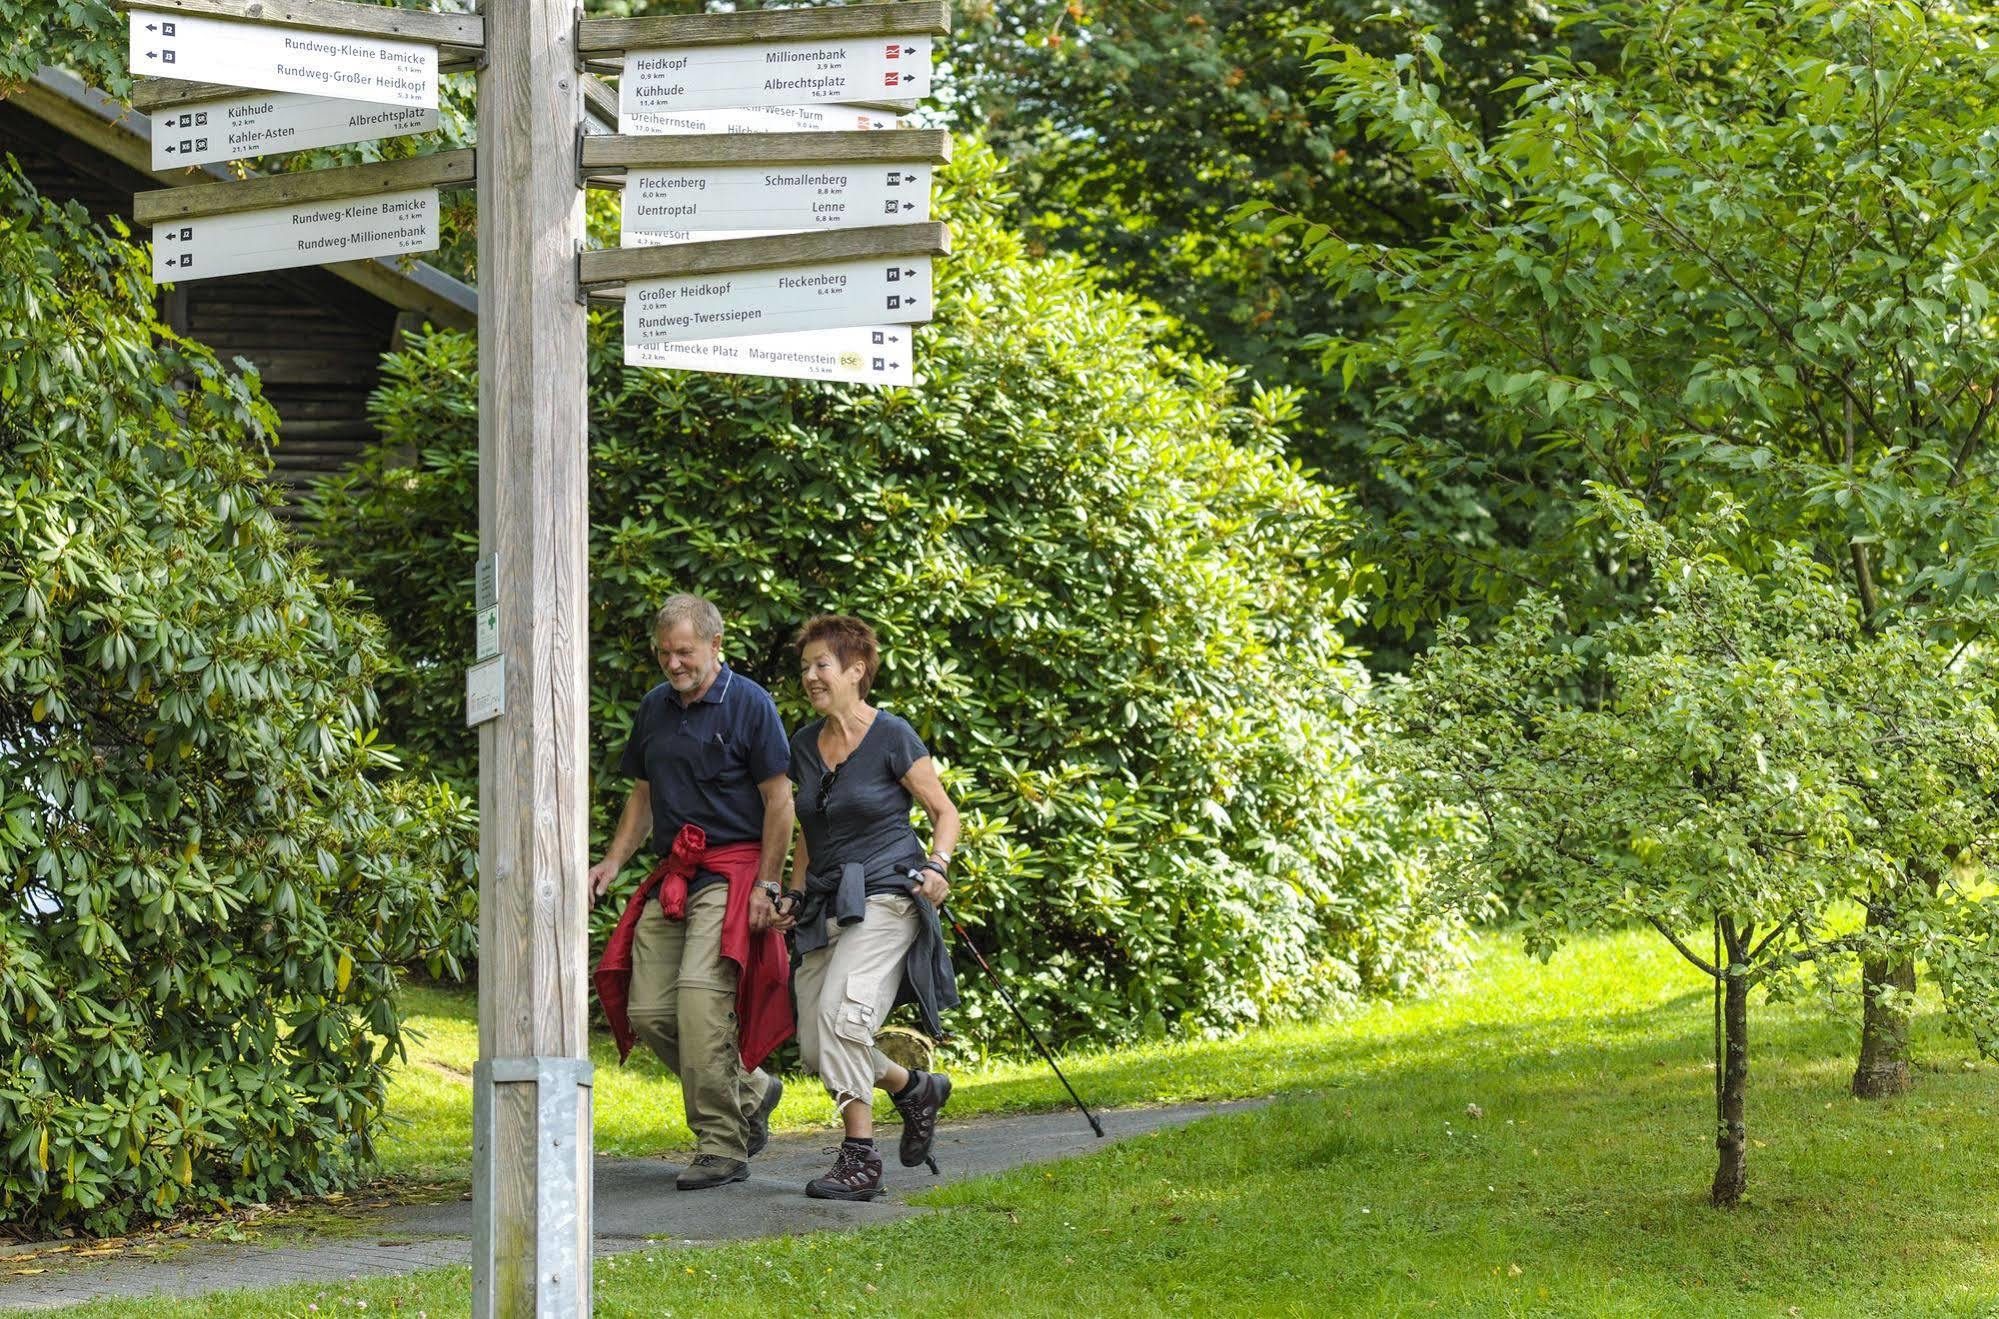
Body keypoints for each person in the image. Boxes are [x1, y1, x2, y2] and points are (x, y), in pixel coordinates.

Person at [589, 594, 795, 1191]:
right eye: (664, 653)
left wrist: (769, 884)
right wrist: (612, 860)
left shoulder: (750, 703)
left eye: (685, 652)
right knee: (649, 1009)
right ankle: (753, 1091)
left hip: (731, 872)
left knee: (701, 1009)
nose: (674, 663)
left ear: (714, 646)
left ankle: (721, 1147)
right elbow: (644, 795)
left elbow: (779, 801)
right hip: (676, 875)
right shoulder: (655, 708)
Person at [773, 614, 961, 1201]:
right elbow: (808, 829)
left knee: (841, 1019)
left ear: (857, 671)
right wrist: (795, 893)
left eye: (821, 665)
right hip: (827, 901)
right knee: (815, 1044)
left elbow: (943, 812)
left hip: (886, 893)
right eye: (805, 666)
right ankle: (913, 1088)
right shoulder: (804, 744)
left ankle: (860, 1162)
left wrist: (938, 865)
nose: (810, 675)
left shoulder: (892, 735)